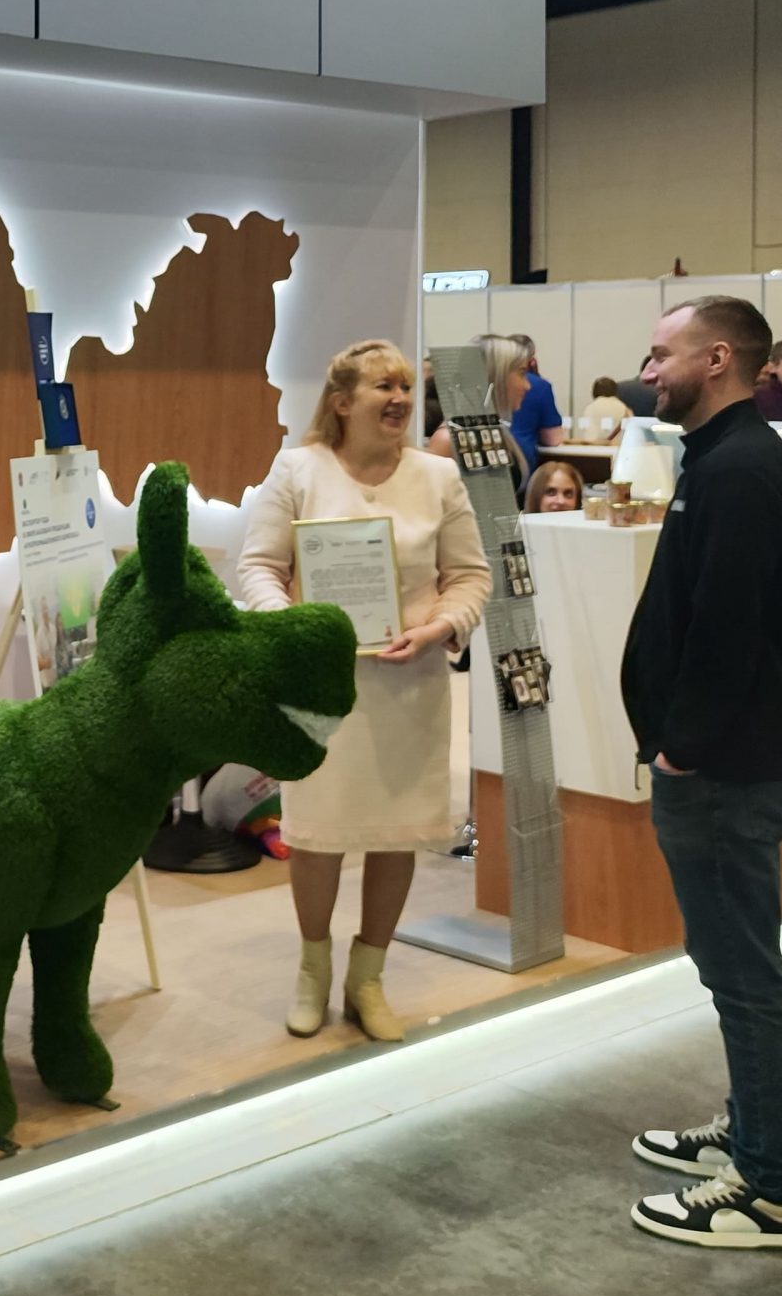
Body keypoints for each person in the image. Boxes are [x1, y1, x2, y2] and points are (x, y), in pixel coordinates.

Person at [621, 295, 782, 1251]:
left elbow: (727, 629)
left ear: (714, 361)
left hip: (725, 767)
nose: (647, 371)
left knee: (743, 974)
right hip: (735, 758)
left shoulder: (740, 469)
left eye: (660, 354)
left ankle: (766, 1190)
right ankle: (749, 1130)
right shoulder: (729, 457)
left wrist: (682, 747)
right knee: (733, 966)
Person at [241, 342, 491, 1045]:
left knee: (396, 835)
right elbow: (259, 567)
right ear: (342, 401)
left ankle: (367, 979)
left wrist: (441, 625)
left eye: (407, 386)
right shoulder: (298, 469)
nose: (401, 398)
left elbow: (471, 576)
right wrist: (292, 629)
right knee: (315, 835)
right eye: (385, 386)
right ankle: (312, 972)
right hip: (321, 693)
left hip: (410, 688)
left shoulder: (439, 477)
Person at [428, 335, 533, 485]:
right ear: (495, 376)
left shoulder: (495, 429)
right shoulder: (448, 441)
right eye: (521, 373)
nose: (527, 386)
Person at [504, 333, 565, 468]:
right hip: (521, 463)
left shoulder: (482, 382)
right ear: (532, 360)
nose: (527, 386)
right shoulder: (540, 386)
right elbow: (553, 438)